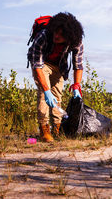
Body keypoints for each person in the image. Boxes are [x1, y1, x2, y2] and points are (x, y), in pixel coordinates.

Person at [27, 12, 84, 142]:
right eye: (56, 32)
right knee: (43, 95)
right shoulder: (43, 36)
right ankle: (44, 129)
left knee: (57, 96)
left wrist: (76, 85)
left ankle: (57, 128)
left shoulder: (76, 42)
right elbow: (37, 66)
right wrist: (47, 91)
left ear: (69, 37)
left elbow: (78, 65)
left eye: (61, 35)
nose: (56, 36)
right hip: (42, 64)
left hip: (59, 65)